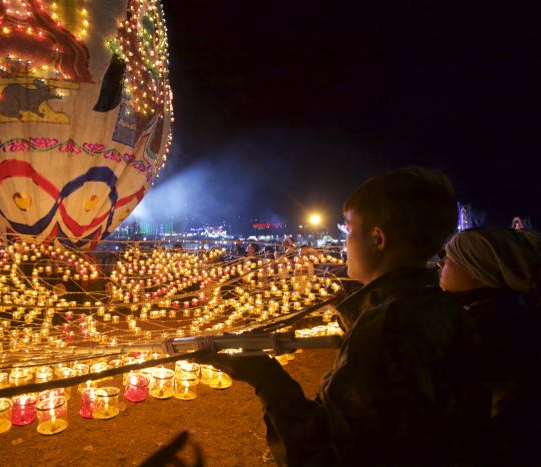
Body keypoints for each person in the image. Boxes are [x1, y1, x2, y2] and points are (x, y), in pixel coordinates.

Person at [197, 167, 486, 465]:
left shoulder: (385, 328)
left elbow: (327, 453)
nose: (345, 244)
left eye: (349, 230)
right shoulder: (446, 310)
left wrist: (265, 376)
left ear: (378, 239)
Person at [438, 227, 541, 464]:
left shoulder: (481, 328)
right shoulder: (512, 313)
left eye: (451, 258)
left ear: (477, 271)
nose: (440, 262)